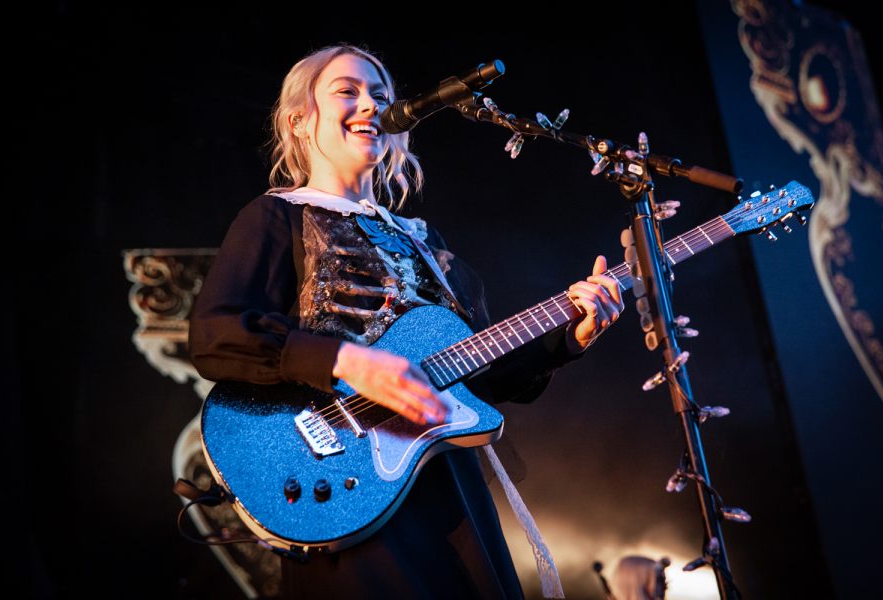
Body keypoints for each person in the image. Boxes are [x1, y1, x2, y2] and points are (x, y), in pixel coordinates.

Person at [188, 43, 624, 600]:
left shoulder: (423, 241)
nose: (371, 104)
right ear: (298, 120)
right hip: (344, 486)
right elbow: (216, 336)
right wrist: (346, 361)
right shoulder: (277, 215)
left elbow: (481, 375)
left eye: (381, 95)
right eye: (347, 91)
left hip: (447, 489)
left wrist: (569, 336)